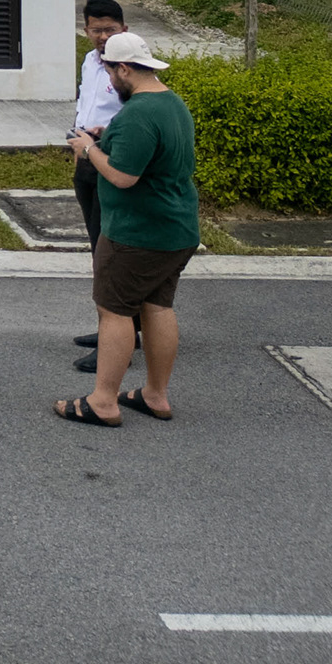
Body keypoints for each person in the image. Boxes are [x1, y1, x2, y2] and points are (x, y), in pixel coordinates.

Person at [54, 33, 198, 427]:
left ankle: (103, 402)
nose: (109, 81)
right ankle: (155, 395)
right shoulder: (171, 103)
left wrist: (88, 150)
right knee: (157, 306)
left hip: (137, 234)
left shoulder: (137, 113)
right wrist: (108, 138)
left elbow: (122, 176)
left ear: (123, 69)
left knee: (114, 311)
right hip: (176, 229)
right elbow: (148, 151)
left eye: (110, 73)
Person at [69, 0, 130, 368]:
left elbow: (135, 116)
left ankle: (118, 336)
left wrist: (100, 137)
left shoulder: (129, 66)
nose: (103, 36)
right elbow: (86, 102)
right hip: (86, 157)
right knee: (97, 246)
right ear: (86, 30)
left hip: (110, 159)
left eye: (110, 29)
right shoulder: (90, 61)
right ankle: (113, 327)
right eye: (96, 29)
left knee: (111, 253)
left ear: (124, 28)